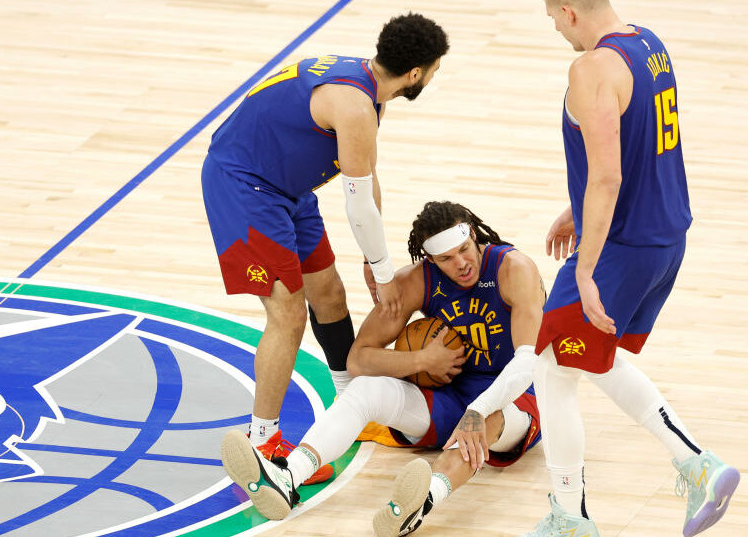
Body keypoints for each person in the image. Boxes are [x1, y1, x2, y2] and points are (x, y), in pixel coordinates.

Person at [521, 0, 740, 537]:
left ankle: (571, 519)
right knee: (588, 355)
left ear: (569, 11)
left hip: (623, 245)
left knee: (550, 366)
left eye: (554, 21)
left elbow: (610, 177)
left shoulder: (590, 67)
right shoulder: (650, 45)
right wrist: (578, 205)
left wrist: (586, 268)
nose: (558, 34)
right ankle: (696, 464)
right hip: (666, 235)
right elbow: (636, 141)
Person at [202, 14, 449, 484]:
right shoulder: (356, 106)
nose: (434, 76)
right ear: (415, 73)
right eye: (435, 69)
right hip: (245, 188)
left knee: (330, 294)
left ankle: (350, 398)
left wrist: (371, 256)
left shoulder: (367, 93)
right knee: (288, 314)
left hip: (288, 190)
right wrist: (382, 271)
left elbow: (367, 182)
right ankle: (262, 441)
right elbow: (356, 204)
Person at [219, 201, 543, 536]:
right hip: (449, 399)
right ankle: (288, 476)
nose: (461, 264)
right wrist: (422, 361)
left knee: (486, 421)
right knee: (363, 390)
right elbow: (359, 359)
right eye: (447, 258)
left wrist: (479, 408)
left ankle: (423, 500)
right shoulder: (417, 281)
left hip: (514, 402)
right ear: (431, 259)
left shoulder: (513, 269)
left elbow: (528, 363)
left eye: (464, 250)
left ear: (474, 236)